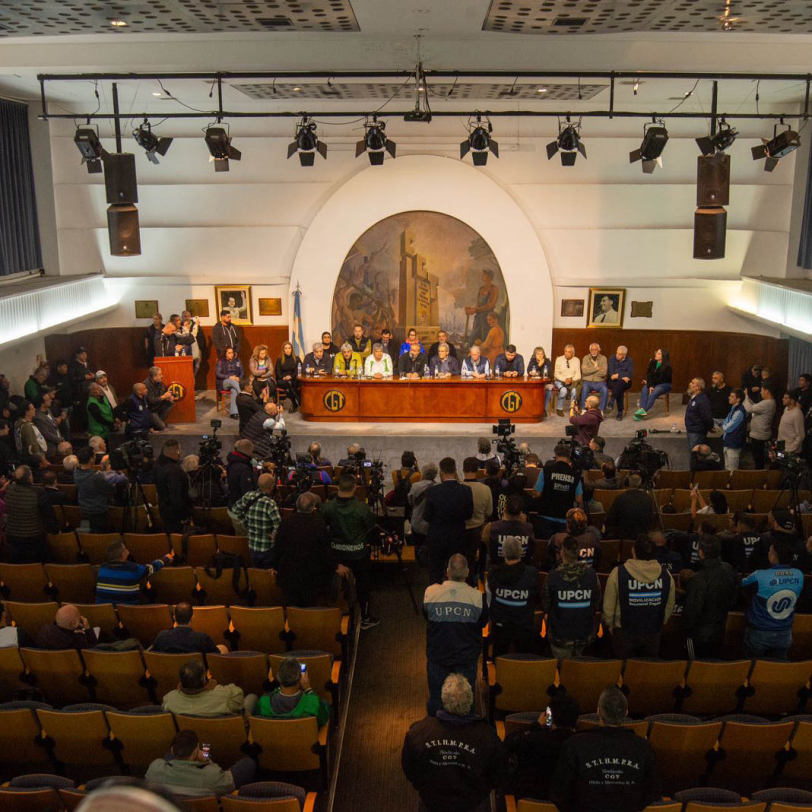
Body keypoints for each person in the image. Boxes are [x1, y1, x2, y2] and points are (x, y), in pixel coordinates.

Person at [402, 672, 506, 812]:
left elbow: (410, 770)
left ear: (443, 701)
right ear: (470, 703)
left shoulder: (417, 733)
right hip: (472, 805)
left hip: (431, 803)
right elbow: (498, 773)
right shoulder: (488, 737)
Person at [551, 687, 661, 812]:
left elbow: (559, 794)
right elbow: (653, 793)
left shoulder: (574, 745)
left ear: (598, 711)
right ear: (626, 712)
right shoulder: (643, 747)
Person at [423, 555, 488, 716]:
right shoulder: (477, 598)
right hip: (466, 660)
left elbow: (427, 616)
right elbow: (483, 623)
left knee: (437, 701)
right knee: (466, 702)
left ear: (447, 572)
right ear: (467, 572)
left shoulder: (430, 593)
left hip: (438, 658)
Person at [603, 534, 675, 658]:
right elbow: (669, 604)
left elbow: (608, 606)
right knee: (647, 672)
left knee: (624, 671)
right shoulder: (666, 574)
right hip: (653, 632)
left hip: (624, 632)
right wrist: (661, 621)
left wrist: (610, 624)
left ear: (633, 551)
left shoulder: (618, 573)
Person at [322, 473, 379, 628]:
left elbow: (322, 528)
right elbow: (370, 528)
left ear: (338, 488)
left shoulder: (328, 507)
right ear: (355, 487)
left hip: (337, 554)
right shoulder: (362, 508)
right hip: (358, 553)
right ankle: (365, 617)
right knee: (363, 583)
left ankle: (334, 611)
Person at [274, 491, 349, 607]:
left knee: (292, 607)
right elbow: (326, 552)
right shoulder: (319, 525)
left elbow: (278, 548)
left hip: (288, 575)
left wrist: (276, 567)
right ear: (314, 508)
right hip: (311, 578)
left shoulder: (285, 522)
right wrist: (335, 566)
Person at [505, 695, 580, 801]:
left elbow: (508, 743)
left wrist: (538, 725)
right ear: (577, 721)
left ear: (550, 718)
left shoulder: (532, 740)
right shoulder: (582, 746)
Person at [741, 538, 804, 660]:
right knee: (778, 670)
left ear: (774, 557)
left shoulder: (759, 576)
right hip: (785, 633)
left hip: (759, 632)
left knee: (753, 667)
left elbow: (742, 585)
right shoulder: (799, 575)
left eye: (770, 551)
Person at [145, 729, 256, 797]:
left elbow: (167, 758)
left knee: (168, 757)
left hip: (172, 798)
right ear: (196, 750)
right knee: (249, 763)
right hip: (209, 784)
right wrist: (206, 760)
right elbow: (226, 784)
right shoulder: (213, 775)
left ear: (173, 750)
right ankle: (205, 751)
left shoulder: (154, 769)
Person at [542, 535, 601, 658]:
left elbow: (547, 605)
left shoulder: (552, 577)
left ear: (562, 553)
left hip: (560, 638)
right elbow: (596, 602)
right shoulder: (592, 575)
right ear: (578, 553)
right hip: (585, 636)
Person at [682, 535, 737, 660]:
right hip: (720, 630)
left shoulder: (699, 579)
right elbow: (734, 597)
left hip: (700, 635)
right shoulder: (728, 569)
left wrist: (686, 631)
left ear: (700, 552)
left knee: (696, 668)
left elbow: (691, 611)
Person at [424, 458, 474, 585]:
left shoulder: (433, 491)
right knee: (457, 573)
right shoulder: (466, 490)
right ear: (455, 470)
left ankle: (434, 599)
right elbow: (468, 515)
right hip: (457, 537)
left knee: (435, 573)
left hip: (437, 538)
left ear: (441, 472)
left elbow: (427, 516)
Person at [486, 536, 539, 655]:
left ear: (503, 553)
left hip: (500, 628)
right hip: (524, 627)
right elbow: (535, 598)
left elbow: (489, 601)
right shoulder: (532, 574)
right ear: (521, 552)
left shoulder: (493, 573)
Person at [256, 655, 331, 726]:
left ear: (278, 678)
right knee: (324, 703)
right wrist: (308, 690)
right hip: (303, 739)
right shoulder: (313, 703)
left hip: (271, 739)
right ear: (300, 679)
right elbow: (324, 719)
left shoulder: (263, 702)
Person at [3, 465, 57, 563]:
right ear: (29, 478)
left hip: (12, 535)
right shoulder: (38, 492)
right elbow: (49, 515)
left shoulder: (9, 490)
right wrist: (55, 531)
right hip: (33, 537)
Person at [163, 658, 254, 715]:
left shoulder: (169, 699)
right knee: (252, 697)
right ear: (203, 679)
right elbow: (239, 694)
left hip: (197, 741)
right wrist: (213, 684)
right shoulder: (228, 697)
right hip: (224, 738)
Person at [96, 539, 173, 605]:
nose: (128, 551)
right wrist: (166, 558)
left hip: (104, 616)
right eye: (126, 549)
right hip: (127, 616)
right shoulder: (134, 569)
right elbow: (151, 568)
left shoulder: (102, 568)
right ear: (123, 554)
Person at [531, 443, 583, 539]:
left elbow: (538, 494)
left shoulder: (546, 470)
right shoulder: (575, 474)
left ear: (556, 455)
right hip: (565, 518)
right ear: (569, 456)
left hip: (545, 515)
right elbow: (579, 499)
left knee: (545, 547)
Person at [230, 474, 281, 568]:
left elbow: (235, 509)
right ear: (272, 486)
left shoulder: (248, 496)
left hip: (252, 544)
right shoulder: (270, 503)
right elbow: (279, 525)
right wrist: (274, 534)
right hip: (267, 546)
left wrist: (246, 523)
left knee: (256, 570)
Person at [151, 602, 226, 654]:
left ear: (174, 618)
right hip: (195, 674)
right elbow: (216, 655)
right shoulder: (202, 638)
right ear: (192, 618)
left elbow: (154, 654)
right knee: (222, 648)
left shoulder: (162, 636)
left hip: (168, 673)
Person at [462, 456, 494, 579]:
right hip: (477, 530)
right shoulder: (485, 489)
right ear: (477, 470)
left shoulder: (459, 488)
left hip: (461, 529)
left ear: (463, 469)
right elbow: (489, 512)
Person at [154, 440, 192, 534]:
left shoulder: (157, 464)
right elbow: (176, 496)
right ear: (177, 452)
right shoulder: (174, 471)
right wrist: (183, 516)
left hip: (164, 509)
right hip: (175, 515)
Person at [484, 493, 534, 564]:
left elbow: (486, 546)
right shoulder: (529, 528)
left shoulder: (491, 527)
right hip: (523, 568)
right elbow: (531, 549)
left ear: (504, 510)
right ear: (521, 513)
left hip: (496, 568)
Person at [604, 473, 655, 539]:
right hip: (642, 538)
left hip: (623, 538)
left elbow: (610, 520)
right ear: (640, 483)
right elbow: (650, 521)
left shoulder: (620, 498)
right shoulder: (648, 499)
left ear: (627, 483)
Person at [744, 383, 776, 468]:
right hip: (760, 434)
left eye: (761, 391)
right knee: (758, 457)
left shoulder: (767, 403)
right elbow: (755, 406)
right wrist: (748, 399)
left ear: (767, 391)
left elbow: (749, 408)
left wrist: (746, 396)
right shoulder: (768, 402)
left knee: (758, 458)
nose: (760, 393)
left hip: (759, 435)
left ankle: (759, 476)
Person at [634, 348, 672, 420]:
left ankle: (642, 412)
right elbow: (648, 374)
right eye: (656, 352)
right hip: (653, 383)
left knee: (655, 392)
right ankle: (642, 410)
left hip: (664, 384)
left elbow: (662, 379)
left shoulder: (667, 367)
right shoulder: (653, 362)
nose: (656, 354)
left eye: (658, 353)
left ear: (663, 356)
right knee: (645, 389)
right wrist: (650, 385)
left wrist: (652, 385)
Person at [408, 462, 438, 548]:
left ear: (423, 473)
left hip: (417, 523)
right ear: (435, 475)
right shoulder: (438, 487)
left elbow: (410, 501)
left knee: (417, 548)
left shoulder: (415, 486)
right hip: (432, 525)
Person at [466, 269, 499, 345]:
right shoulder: (481, 289)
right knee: (474, 336)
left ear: (489, 277)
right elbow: (478, 304)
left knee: (485, 337)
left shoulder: (494, 289)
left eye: (484, 275)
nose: (482, 276)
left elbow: (490, 305)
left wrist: (475, 310)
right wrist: (471, 309)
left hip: (488, 317)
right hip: (479, 317)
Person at [684, 377, 714, 450]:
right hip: (691, 430)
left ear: (698, 387)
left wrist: (710, 427)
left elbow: (707, 417)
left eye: (692, 383)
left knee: (697, 454)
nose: (690, 384)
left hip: (697, 432)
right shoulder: (694, 397)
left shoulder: (702, 400)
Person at [721, 387, 747, 471]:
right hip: (728, 442)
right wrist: (724, 425)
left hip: (734, 444)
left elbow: (728, 427)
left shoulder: (739, 411)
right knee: (727, 468)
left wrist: (724, 426)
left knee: (732, 470)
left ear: (738, 399)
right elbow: (725, 422)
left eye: (732, 396)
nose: (729, 397)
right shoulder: (733, 409)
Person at [226, 439, 256, 508]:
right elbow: (247, 492)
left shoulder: (231, 464)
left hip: (232, 503)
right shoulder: (244, 469)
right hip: (241, 507)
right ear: (249, 451)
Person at [33, 392, 65, 457]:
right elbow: (46, 434)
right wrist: (59, 440)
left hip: (58, 440)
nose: (51, 400)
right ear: (42, 404)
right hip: (52, 446)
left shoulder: (48, 410)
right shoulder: (38, 418)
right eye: (48, 400)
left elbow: (52, 424)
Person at [606, 345, 634, 421]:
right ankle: (620, 412)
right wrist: (623, 376)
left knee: (619, 383)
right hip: (612, 382)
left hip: (626, 383)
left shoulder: (629, 360)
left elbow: (630, 374)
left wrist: (618, 375)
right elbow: (611, 373)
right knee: (619, 386)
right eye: (617, 353)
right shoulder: (612, 358)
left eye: (620, 354)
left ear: (624, 355)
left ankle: (612, 400)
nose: (617, 355)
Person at [143, 366, 175, 431]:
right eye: (160, 375)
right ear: (154, 377)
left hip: (157, 407)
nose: (162, 376)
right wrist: (164, 396)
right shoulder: (146, 385)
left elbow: (165, 390)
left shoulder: (158, 382)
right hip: (150, 410)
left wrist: (169, 395)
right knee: (162, 427)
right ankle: (153, 424)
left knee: (170, 403)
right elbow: (152, 401)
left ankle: (157, 422)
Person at [552, 345, 581, 416]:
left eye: (569, 352)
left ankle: (572, 408)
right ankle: (559, 408)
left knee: (574, 391)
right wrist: (565, 379)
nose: (567, 353)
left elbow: (578, 374)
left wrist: (571, 380)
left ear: (573, 353)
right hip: (560, 380)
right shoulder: (559, 359)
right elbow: (556, 374)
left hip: (572, 380)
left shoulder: (576, 360)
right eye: (565, 351)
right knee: (563, 390)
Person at [216, 347, 244, 420]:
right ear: (225, 354)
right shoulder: (221, 361)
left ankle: (234, 413)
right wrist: (229, 377)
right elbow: (218, 374)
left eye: (232, 352)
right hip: (224, 382)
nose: (231, 354)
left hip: (235, 382)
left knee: (234, 390)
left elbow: (242, 372)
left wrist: (239, 378)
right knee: (232, 381)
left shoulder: (237, 360)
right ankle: (242, 395)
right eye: (229, 353)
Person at [579, 343, 608, 411]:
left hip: (599, 381)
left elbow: (604, 372)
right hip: (587, 381)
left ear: (599, 350)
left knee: (605, 390)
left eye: (596, 350)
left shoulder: (603, 358)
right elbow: (584, 371)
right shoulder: (586, 358)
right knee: (584, 388)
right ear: (590, 350)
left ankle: (601, 411)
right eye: (592, 350)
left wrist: (590, 370)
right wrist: (597, 368)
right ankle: (584, 409)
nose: (594, 351)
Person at [275, 341, 301, 412]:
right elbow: (277, 372)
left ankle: (294, 404)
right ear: (283, 349)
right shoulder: (280, 359)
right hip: (282, 379)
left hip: (293, 378)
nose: (287, 350)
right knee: (289, 384)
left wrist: (291, 377)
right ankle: (299, 401)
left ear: (292, 349)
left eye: (289, 348)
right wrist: (283, 378)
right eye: (285, 348)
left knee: (289, 385)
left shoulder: (297, 358)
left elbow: (297, 371)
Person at [778, 389, 805, 454]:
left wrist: (791, 449)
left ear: (792, 401)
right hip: (781, 446)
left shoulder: (797, 414)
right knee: (779, 463)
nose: (783, 399)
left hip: (790, 450)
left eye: (786, 398)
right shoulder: (786, 409)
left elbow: (800, 435)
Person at [179, 311, 202, 376]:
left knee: (195, 369)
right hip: (183, 352)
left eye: (188, 316)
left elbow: (200, 338)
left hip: (195, 351)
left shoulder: (196, 326)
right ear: (182, 317)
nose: (186, 318)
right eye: (185, 316)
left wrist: (200, 349)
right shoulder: (179, 327)